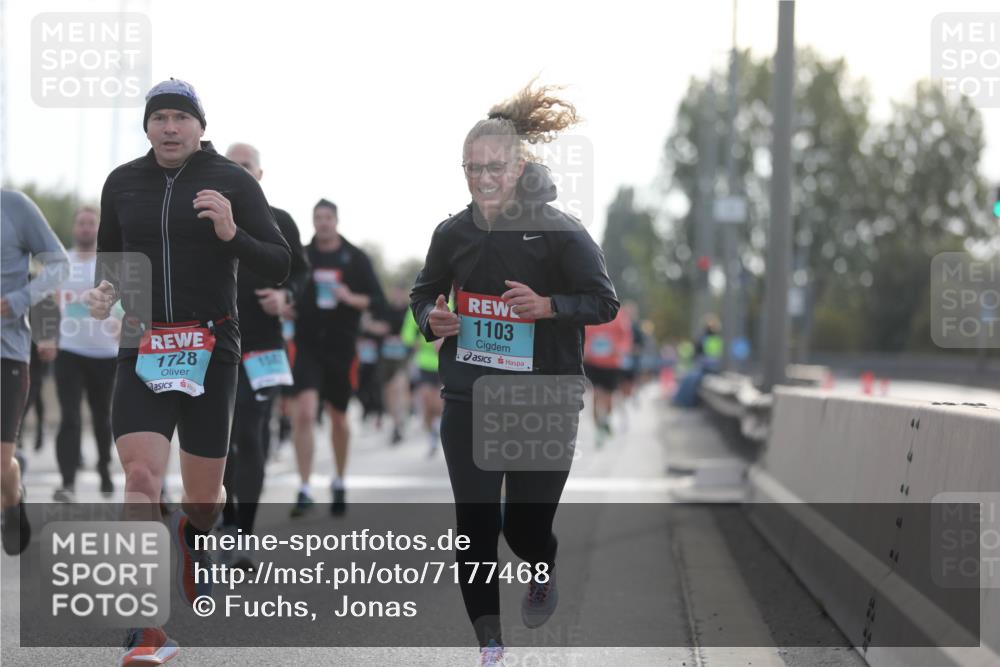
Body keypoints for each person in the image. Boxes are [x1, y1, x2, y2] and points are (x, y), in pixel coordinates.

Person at [409, 81, 618, 665]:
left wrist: (549, 306)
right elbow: (422, 292)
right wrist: (433, 316)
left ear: (518, 165)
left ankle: (541, 562)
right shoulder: (451, 232)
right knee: (474, 524)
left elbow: (604, 302)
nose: (482, 178)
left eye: (493, 167)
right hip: (470, 396)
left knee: (523, 530)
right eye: (471, 168)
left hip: (543, 398)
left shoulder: (560, 230)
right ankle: (490, 645)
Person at [84, 79, 290, 665]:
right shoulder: (122, 182)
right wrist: (105, 294)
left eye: (180, 118)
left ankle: (191, 532)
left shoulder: (231, 181)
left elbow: (278, 263)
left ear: (200, 126)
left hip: (212, 346)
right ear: (147, 126)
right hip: (143, 344)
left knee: (204, 501)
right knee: (142, 477)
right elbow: (113, 264)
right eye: (159, 118)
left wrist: (231, 232)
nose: (169, 128)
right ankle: (145, 627)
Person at [218, 142, 309, 569]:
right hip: (216, 344)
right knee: (221, 442)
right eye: (230, 166)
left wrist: (285, 294)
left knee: (251, 435)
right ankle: (226, 516)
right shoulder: (206, 217)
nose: (237, 172)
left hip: (263, 345)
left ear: (259, 174)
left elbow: (302, 272)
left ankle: (243, 534)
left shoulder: (281, 221)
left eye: (245, 166)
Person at [289, 199, 384, 518]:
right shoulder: (301, 255)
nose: (324, 223)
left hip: (342, 347)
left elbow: (377, 300)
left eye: (328, 217)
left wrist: (349, 297)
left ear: (337, 220)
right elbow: (286, 288)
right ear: (313, 221)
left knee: (339, 418)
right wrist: (287, 303)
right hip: (307, 345)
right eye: (318, 218)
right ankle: (304, 487)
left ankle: (339, 480)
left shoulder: (354, 257)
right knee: (303, 412)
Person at [1, 189, 69, 556]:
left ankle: (12, 496)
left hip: (6, 353)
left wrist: (17, 301)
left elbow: (60, 264)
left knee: (0, 466)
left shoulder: (14, 206)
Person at [53, 205, 123, 502]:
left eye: (90, 223)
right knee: (69, 417)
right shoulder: (61, 263)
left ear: (98, 228)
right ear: (74, 228)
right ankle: (67, 482)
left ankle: (105, 470)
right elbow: (52, 304)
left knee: (102, 417)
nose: (85, 228)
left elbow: (125, 303)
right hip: (69, 351)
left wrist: (120, 321)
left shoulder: (111, 264)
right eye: (80, 223)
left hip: (105, 353)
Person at [583, 304, 633, 443]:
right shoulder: (591, 312)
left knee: (608, 398)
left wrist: (620, 349)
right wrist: (584, 349)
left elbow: (626, 338)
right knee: (596, 393)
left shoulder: (619, 315)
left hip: (612, 363)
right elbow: (583, 334)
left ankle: (605, 421)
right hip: (593, 362)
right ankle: (599, 428)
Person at [400, 302, 444, 455]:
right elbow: (406, 335)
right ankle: (431, 434)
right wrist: (423, 341)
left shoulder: (451, 301)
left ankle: (439, 429)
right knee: (426, 401)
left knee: (438, 404)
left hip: (445, 361)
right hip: (424, 362)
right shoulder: (419, 303)